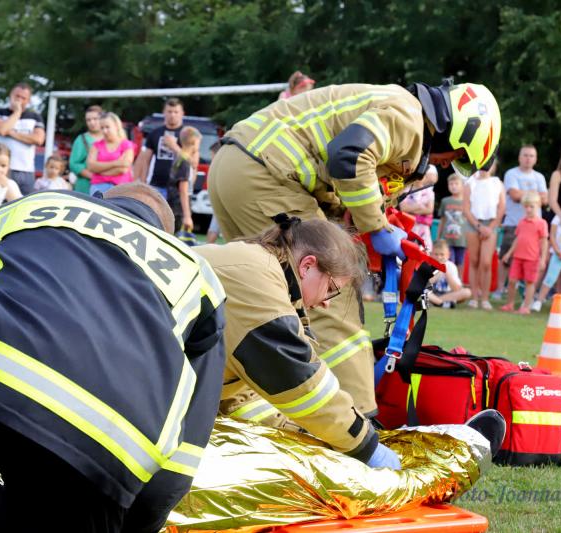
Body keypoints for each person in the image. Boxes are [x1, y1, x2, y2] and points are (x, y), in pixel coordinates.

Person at [208, 80, 501, 419]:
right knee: (331, 291)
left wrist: (372, 226)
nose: (448, 164)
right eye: (459, 156)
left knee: (263, 295)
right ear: (459, 131)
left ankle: (241, 409)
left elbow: (342, 175)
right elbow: (349, 156)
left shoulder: (394, 108)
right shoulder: (408, 117)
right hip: (268, 175)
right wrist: (376, 227)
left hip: (237, 168)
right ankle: (360, 420)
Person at [0, 183, 226, 532]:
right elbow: (189, 437)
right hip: (104, 448)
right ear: (167, 236)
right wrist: (136, 522)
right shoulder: (199, 277)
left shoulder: (39, 204)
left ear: (97, 200)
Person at [195, 216, 400, 470]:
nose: (326, 303)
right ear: (307, 266)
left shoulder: (253, 264)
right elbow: (301, 382)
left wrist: (293, 431)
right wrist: (364, 444)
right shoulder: (259, 286)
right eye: (332, 288)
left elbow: (239, 393)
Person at [498, 145, 548, 299]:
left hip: (534, 226)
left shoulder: (539, 177)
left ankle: (527, 292)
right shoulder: (511, 174)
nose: (528, 158)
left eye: (531, 156)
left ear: (536, 159)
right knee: (506, 257)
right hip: (514, 222)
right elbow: (514, 195)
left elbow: (545, 199)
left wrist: (525, 194)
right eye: (525, 155)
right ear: (519, 157)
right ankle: (500, 289)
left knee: (531, 260)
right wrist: (534, 195)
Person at [0, 82, 45, 195]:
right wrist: (17, 112)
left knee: (26, 202)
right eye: (17, 96)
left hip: (27, 170)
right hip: (2, 169)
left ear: (28, 100)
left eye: (23, 98)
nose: (19, 100)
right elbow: (1, 130)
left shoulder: (35, 117)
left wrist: (10, 132)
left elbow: (38, 139)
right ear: (10, 95)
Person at [462, 161, 505, 310]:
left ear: (494, 167)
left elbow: (501, 208)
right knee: (474, 261)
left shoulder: (497, 183)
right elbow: (466, 208)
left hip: (491, 224)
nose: (485, 168)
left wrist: (490, 228)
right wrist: (479, 226)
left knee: (486, 262)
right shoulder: (470, 183)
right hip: (473, 224)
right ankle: (474, 297)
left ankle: (485, 298)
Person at [500, 192, 548, 314]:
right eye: (526, 206)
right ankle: (509, 304)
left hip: (532, 258)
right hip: (517, 257)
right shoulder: (521, 222)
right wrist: (509, 253)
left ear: (538, 206)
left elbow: (544, 242)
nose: (528, 209)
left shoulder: (542, 223)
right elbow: (518, 239)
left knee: (529, 282)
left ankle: (526, 307)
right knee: (512, 280)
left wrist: (543, 259)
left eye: (531, 206)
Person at [133, 98, 187, 197]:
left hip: (179, 188)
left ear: (182, 113)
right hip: (156, 186)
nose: (172, 115)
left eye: (176, 112)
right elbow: (145, 161)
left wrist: (174, 146)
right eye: (169, 111)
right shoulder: (155, 133)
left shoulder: (186, 134)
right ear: (164, 112)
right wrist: (143, 183)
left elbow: (192, 161)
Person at [87, 112, 135, 196]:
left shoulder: (126, 144)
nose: (104, 131)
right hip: (98, 187)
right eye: (102, 128)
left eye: (107, 127)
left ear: (116, 126)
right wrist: (116, 163)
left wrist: (99, 172)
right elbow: (91, 166)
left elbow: (123, 168)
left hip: (121, 188)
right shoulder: (96, 145)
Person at [167, 126, 201, 233]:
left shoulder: (180, 159)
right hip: (179, 210)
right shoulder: (184, 163)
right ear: (194, 141)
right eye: (199, 143)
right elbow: (183, 190)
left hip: (175, 206)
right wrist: (187, 216)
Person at [399, 164, 437, 251]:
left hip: (423, 228)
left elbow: (430, 210)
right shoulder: (406, 189)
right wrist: (420, 207)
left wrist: (411, 209)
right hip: (407, 226)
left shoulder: (429, 191)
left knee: (424, 250)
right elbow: (403, 208)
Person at [68, 105, 104, 194]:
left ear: (102, 119)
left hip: (108, 186)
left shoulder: (110, 138)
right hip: (85, 186)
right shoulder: (81, 139)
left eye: (95, 119)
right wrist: (93, 177)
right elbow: (73, 163)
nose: (92, 122)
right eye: (88, 120)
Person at [427, 239, 472, 308]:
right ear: (431, 254)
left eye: (442, 254)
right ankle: (441, 303)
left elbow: (456, 289)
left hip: (447, 294)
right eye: (436, 254)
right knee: (423, 291)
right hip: (431, 293)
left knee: (467, 292)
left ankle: (437, 302)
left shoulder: (451, 266)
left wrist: (446, 271)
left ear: (448, 255)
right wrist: (439, 271)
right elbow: (427, 284)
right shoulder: (428, 265)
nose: (439, 257)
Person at [437, 172, 469, 267]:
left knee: (460, 263)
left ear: (462, 185)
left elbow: (469, 221)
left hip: (462, 240)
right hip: (447, 239)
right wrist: (438, 237)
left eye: (456, 184)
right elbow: (442, 220)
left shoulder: (467, 202)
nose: (453, 186)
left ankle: (457, 277)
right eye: (451, 184)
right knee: (449, 263)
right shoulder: (445, 201)